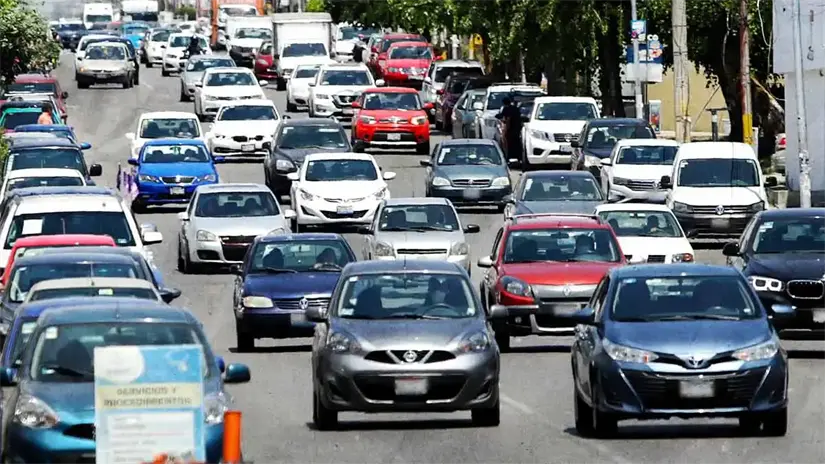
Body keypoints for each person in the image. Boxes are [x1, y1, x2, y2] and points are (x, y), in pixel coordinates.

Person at [496, 96, 523, 160]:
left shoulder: (506, 109)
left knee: (509, 143)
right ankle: (519, 157)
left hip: (511, 129)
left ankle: (509, 157)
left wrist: (506, 129)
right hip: (517, 128)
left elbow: (508, 119)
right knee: (517, 143)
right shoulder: (515, 108)